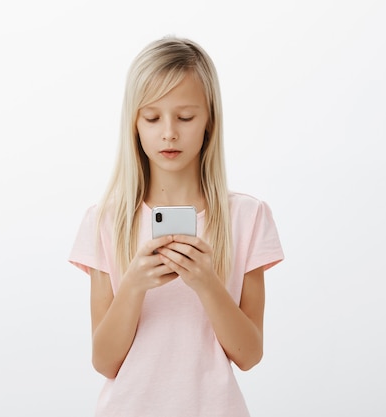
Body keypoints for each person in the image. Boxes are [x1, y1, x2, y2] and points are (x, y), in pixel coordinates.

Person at [69, 36, 284, 417]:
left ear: (208, 121)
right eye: (152, 117)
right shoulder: (104, 220)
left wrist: (207, 283)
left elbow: (249, 356)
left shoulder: (247, 217)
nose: (169, 132)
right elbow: (104, 362)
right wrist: (134, 285)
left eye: (185, 117)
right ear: (133, 123)